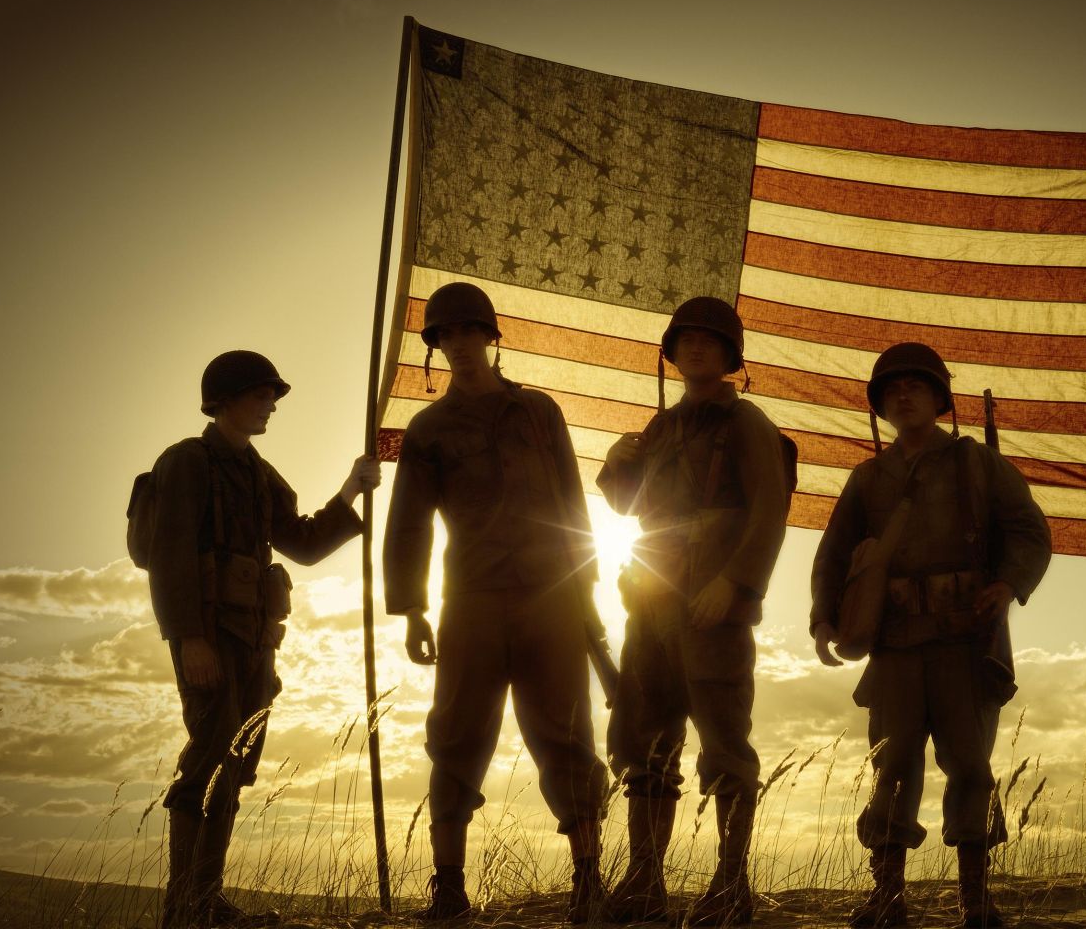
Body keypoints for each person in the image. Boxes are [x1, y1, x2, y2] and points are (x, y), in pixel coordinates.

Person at [383, 281, 610, 924]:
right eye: (444, 336)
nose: (458, 345)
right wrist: (412, 608)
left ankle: (587, 882)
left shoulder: (540, 413)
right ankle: (448, 890)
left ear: (490, 336)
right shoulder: (428, 429)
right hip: (473, 601)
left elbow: (573, 505)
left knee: (567, 736)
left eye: (467, 332)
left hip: (551, 598)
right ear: (437, 346)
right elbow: (410, 524)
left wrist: (586, 592)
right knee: (455, 739)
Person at [810, 342, 1050, 929]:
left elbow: (1030, 531)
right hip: (893, 643)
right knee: (891, 765)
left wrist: (1009, 584)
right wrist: (822, 617)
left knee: (969, 763)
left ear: (940, 399)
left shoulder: (977, 464)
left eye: (916, 385)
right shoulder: (868, 478)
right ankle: (888, 896)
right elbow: (833, 553)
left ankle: (975, 898)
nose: (903, 394)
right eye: (893, 388)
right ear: (880, 406)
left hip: (965, 639)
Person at [143, 350, 378, 929]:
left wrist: (350, 490)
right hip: (207, 637)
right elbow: (168, 559)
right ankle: (184, 906)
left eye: (272, 395)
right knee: (208, 754)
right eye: (260, 394)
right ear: (224, 400)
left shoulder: (257, 472)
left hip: (254, 639)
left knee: (237, 760)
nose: (271, 403)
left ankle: (206, 897)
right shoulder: (187, 462)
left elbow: (300, 542)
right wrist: (188, 639)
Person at [596, 296, 789, 925]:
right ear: (672, 352)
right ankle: (645, 881)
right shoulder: (660, 429)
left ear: (729, 354)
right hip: (651, 602)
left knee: (725, 744)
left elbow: (769, 510)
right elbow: (632, 510)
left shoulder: (746, 423)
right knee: (645, 742)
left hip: (711, 603)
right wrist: (614, 471)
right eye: (686, 340)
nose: (696, 348)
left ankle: (731, 887)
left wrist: (734, 584)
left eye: (710, 340)